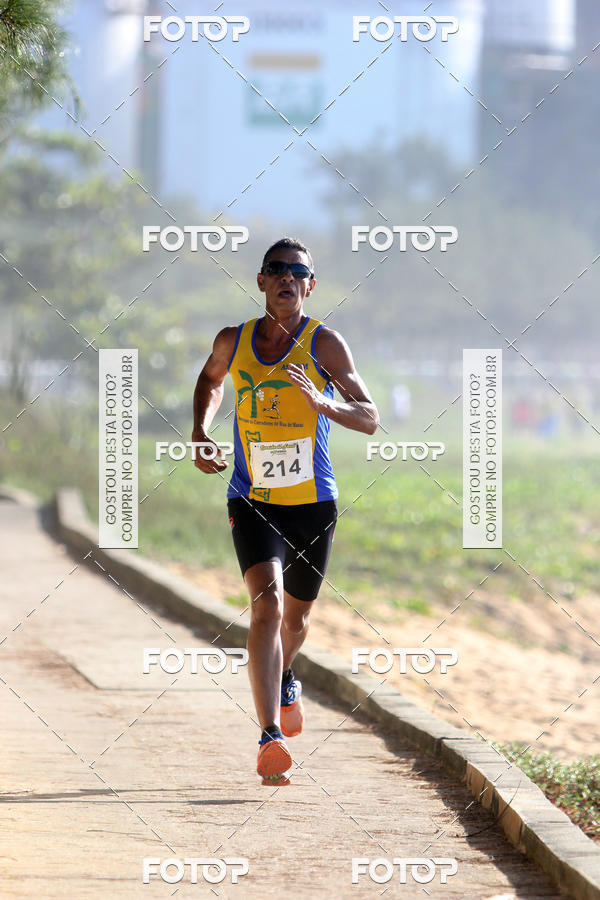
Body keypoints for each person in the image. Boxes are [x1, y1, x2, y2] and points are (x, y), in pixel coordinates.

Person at [192, 237, 379, 784]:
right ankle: (269, 734)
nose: (286, 278)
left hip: (313, 505)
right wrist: (202, 430)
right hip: (251, 499)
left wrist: (325, 403)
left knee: (296, 619)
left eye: (297, 272)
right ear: (261, 281)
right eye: (276, 270)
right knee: (267, 607)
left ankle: (286, 672)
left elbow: (368, 416)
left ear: (310, 285)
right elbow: (210, 380)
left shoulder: (326, 344)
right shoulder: (235, 339)